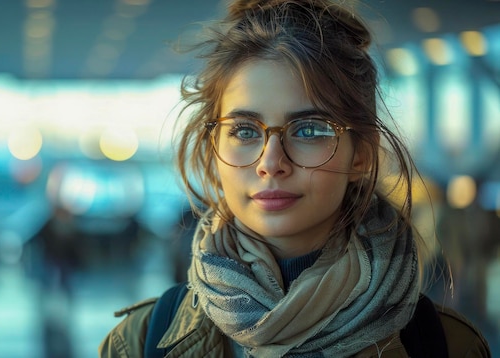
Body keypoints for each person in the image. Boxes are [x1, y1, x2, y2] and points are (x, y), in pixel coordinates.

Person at [99, 0, 492, 356]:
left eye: (309, 130)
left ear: (363, 154)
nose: (271, 163)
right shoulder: (143, 339)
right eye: (245, 131)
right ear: (212, 149)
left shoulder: (444, 345)